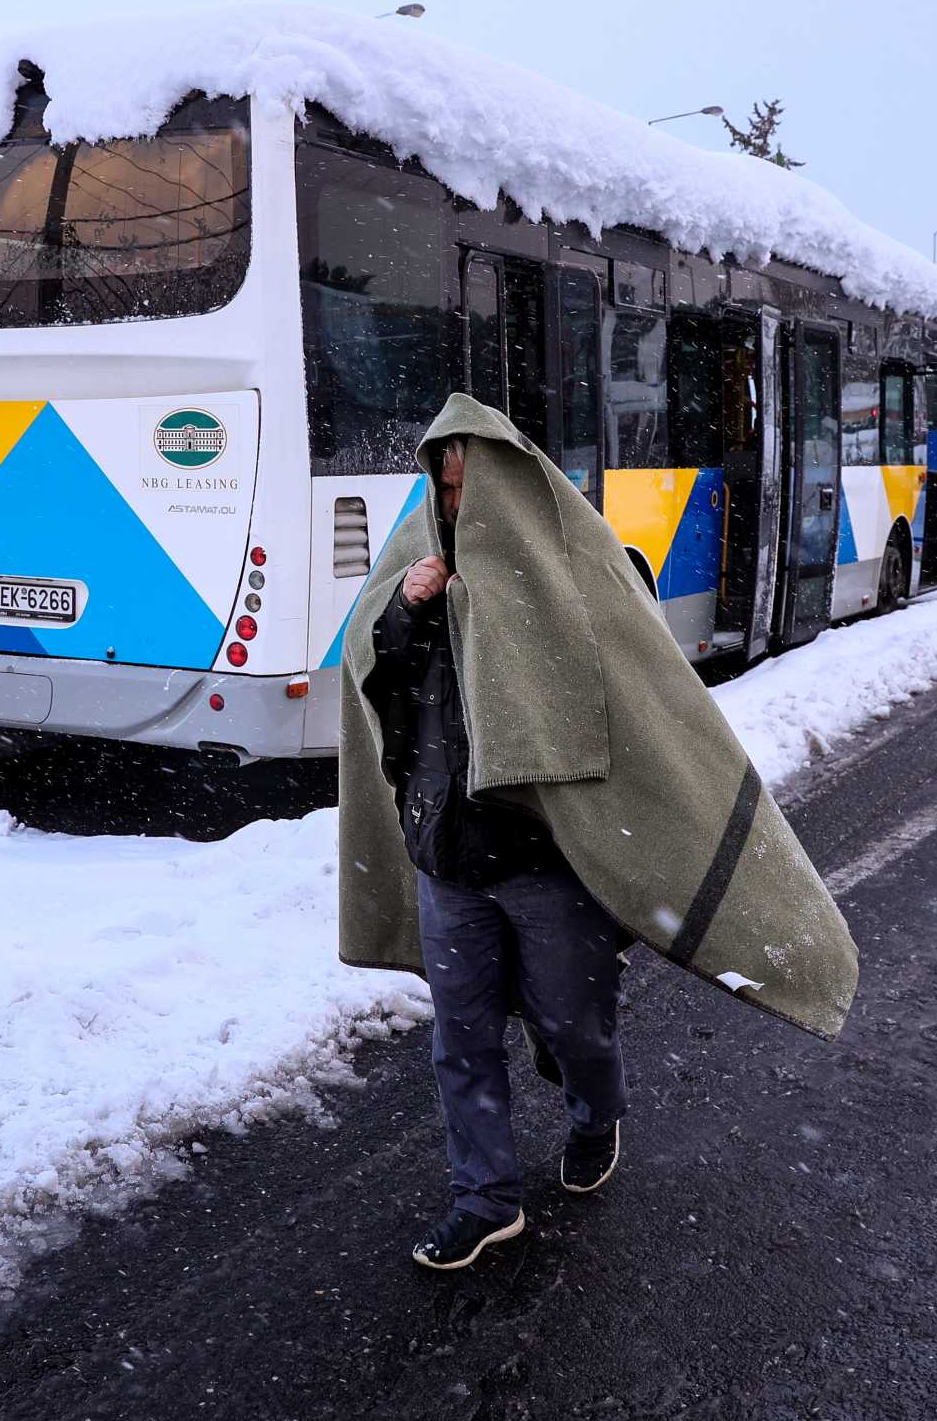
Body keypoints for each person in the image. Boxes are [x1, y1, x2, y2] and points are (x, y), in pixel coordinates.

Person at [338, 393, 858, 1273]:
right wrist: (409, 612)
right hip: (449, 854)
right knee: (460, 1037)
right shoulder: (415, 566)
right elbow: (369, 672)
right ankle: (485, 1198)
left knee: (573, 1024)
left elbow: (645, 690)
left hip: (549, 859)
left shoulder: (582, 566)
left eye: (472, 484)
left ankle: (595, 1114)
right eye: (446, 485)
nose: (458, 503)